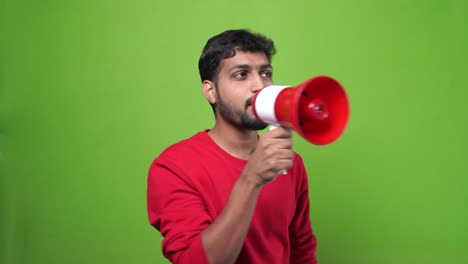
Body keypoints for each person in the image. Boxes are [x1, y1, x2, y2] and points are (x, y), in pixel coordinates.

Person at [147, 29, 317, 264]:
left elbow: (301, 249)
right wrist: (251, 179)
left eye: (266, 73)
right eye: (241, 74)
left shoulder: (289, 162)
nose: (260, 85)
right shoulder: (173, 167)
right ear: (211, 91)